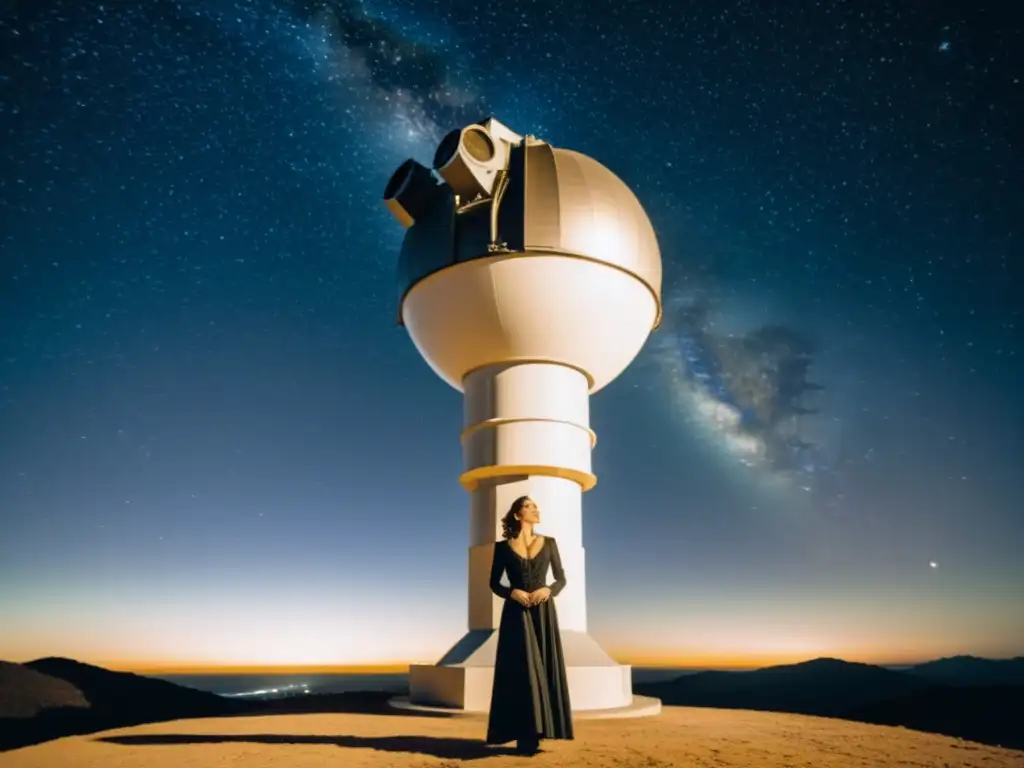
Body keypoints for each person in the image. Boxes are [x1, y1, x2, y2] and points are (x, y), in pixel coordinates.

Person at [485, 495, 574, 755]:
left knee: (544, 666)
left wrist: (548, 589)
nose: (535, 509)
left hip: (543, 610)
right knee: (520, 670)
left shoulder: (549, 543)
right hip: (516, 612)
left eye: (536, 506)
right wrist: (511, 592)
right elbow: (494, 583)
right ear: (517, 514)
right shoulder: (502, 547)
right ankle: (524, 734)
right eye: (529, 506)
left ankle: (542, 730)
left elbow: (561, 579)